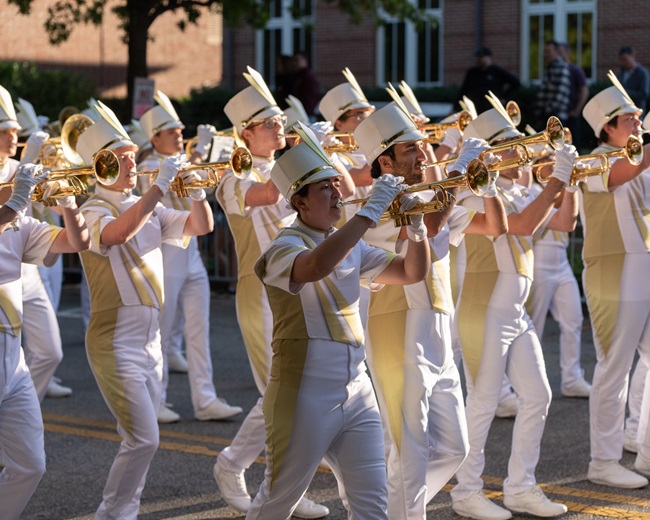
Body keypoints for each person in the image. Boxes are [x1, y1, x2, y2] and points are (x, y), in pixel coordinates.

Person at [247, 123, 430, 519]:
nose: (337, 193)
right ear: (299, 202)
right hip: (304, 394)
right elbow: (314, 266)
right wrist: (368, 213)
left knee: (372, 507)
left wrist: (417, 230)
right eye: (325, 188)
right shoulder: (283, 246)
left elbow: (411, 273)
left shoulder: (352, 243)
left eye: (336, 184)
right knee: (277, 503)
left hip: (357, 389)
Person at [354, 101, 506, 519]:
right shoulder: (379, 203)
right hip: (396, 325)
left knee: (453, 448)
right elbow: (433, 226)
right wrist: (459, 174)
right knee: (410, 446)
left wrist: (487, 185)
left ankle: (384, 509)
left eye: (423, 148)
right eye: (412, 151)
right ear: (385, 161)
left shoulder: (428, 197)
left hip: (437, 327)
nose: (424, 157)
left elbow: (494, 228)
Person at [76, 100, 214, 519]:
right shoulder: (92, 210)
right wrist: (158, 189)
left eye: (133, 158)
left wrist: (197, 193)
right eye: (124, 159)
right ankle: (111, 512)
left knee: (137, 437)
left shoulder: (146, 206)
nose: (133, 165)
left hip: (149, 341)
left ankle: (125, 510)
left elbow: (200, 226)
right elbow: (117, 234)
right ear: (101, 166)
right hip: (114, 342)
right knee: (145, 439)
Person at [451, 104, 578, 520]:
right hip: (484, 308)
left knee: (538, 395)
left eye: (516, 142)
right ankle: (466, 493)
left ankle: (520, 487)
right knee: (483, 402)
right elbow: (519, 226)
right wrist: (555, 178)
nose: (520, 151)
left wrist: (570, 182)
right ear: (486, 154)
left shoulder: (515, 188)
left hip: (514, 311)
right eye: (507, 145)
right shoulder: (470, 193)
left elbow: (562, 223)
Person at [212, 67, 329, 518]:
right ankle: (236, 467)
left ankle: (274, 487)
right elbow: (263, 194)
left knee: (293, 395)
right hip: (258, 290)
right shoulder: (231, 176)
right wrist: (309, 154)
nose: (281, 127)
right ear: (246, 134)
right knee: (280, 394)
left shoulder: (283, 166)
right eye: (271, 123)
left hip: (294, 287)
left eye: (280, 120)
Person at [0, 96, 90, 519]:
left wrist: (70, 207)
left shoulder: (17, 214)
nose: (12, 137)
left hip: (12, 358)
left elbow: (76, 244)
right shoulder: (13, 205)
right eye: (5, 130)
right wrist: (17, 199)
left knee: (30, 466)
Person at [137, 90, 243, 423]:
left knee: (198, 328)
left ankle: (205, 398)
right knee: (162, 331)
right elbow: (155, 202)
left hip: (191, 251)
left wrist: (205, 158)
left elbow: (206, 193)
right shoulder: (148, 166)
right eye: (174, 132)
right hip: (166, 252)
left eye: (181, 131)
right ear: (155, 138)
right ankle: (156, 399)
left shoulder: (178, 161)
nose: (181, 136)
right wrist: (195, 160)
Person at [579, 76, 650, 488]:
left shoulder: (635, 157)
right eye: (630, 118)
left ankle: (645, 451)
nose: (638, 124)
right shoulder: (594, 160)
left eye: (639, 117)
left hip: (643, 266)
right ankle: (603, 462)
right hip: (613, 271)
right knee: (614, 368)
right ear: (608, 126)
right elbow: (626, 170)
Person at [517, 166, 592, 398]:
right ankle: (523, 387)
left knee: (574, 320)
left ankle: (572, 378)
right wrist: (562, 179)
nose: (553, 162)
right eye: (549, 158)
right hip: (539, 262)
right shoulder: (535, 189)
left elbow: (568, 212)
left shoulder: (555, 186)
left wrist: (571, 182)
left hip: (562, 261)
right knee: (534, 328)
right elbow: (555, 204)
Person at [458, 46, 521, 115]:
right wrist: (456, 107)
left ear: (488, 57)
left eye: (482, 57)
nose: (480, 59)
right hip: (476, 109)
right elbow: (464, 90)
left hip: (493, 109)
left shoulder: (497, 71)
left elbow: (515, 82)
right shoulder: (472, 73)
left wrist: (504, 97)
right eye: (478, 57)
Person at [559, 42, 589, 150]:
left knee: (573, 143)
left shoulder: (575, 70)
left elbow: (584, 91)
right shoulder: (555, 70)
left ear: (568, 54)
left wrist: (576, 110)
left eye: (561, 52)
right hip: (560, 113)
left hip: (571, 113)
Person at [535, 41, 572, 129]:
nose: (546, 55)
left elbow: (560, 94)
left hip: (556, 116)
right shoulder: (549, 68)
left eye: (548, 52)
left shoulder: (561, 68)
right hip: (547, 115)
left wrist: (547, 111)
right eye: (545, 52)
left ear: (556, 52)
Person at [616, 46, 650, 115]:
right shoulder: (621, 73)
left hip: (637, 111)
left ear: (632, 57)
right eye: (621, 60)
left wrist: (626, 92)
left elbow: (644, 94)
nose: (623, 62)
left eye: (625, 59)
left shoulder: (642, 73)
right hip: (623, 111)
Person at [287, 52, 320, 120]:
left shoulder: (308, 77)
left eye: (297, 60)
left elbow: (311, 97)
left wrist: (306, 110)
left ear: (305, 61)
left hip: (306, 115)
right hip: (300, 114)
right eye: (293, 60)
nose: (294, 63)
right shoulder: (297, 76)